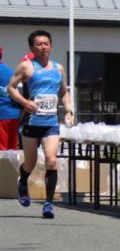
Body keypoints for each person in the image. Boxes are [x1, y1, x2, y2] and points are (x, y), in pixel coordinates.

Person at [7, 30, 75, 218]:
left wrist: (69, 109)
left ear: (51, 46)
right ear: (31, 48)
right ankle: (23, 183)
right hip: (31, 121)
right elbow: (10, 88)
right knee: (31, 163)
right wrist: (25, 102)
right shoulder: (26, 67)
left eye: (46, 43)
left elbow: (64, 92)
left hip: (50, 122)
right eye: (38, 44)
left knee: (51, 160)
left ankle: (48, 203)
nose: (43, 47)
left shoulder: (58, 69)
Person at [0, 47, 20, 151]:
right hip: (13, 114)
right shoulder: (10, 71)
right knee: (12, 150)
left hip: (1, 115)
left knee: (1, 151)